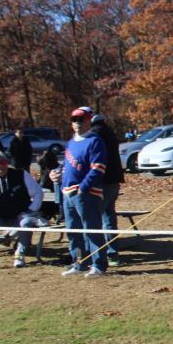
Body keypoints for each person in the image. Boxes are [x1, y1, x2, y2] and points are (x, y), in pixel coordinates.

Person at [49, 107, 108, 277]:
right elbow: (67, 165)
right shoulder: (71, 142)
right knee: (73, 231)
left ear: (89, 121)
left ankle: (98, 264)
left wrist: (83, 188)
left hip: (86, 193)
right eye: (74, 120)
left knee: (91, 230)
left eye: (81, 120)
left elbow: (98, 168)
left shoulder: (95, 141)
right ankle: (79, 263)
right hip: (67, 193)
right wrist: (56, 173)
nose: (77, 123)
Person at [0, 151, 43, 271]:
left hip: (22, 216)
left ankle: (20, 255)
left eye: (4, 162)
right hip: (2, 217)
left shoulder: (21, 174)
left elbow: (38, 193)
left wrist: (30, 210)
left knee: (26, 222)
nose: (2, 166)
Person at [89, 114, 125, 267]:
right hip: (114, 181)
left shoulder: (94, 134)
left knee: (95, 219)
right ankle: (112, 253)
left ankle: (98, 255)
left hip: (102, 182)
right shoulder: (110, 133)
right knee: (109, 218)